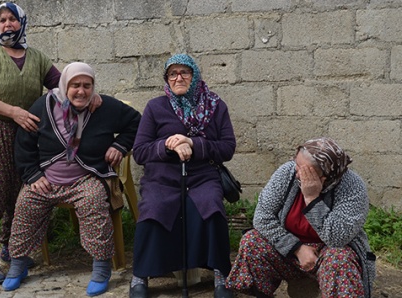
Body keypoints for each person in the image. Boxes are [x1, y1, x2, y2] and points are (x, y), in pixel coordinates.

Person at [3, 62, 141, 296]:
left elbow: (137, 122)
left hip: (86, 178)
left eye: (87, 85)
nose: (81, 91)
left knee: (94, 201)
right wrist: (33, 175)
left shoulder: (103, 106)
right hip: (47, 179)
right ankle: (18, 263)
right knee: (26, 203)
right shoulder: (44, 106)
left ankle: (101, 266)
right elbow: (24, 142)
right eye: (75, 85)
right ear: (64, 86)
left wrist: (120, 144)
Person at [0, 2, 74, 285]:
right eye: (2, 20)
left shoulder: (37, 57)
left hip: (25, 132)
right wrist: (12, 111)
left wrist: (88, 92)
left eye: (13, 19)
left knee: (21, 189)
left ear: (23, 23)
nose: (7, 24)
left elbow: (62, 85)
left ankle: (11, 247)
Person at [129, 54, 236, 298]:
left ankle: (221, 273)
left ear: (195, 75)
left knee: (211, 206)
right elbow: (140, 151)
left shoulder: (215, 106)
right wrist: (168, 146)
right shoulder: (155, 107)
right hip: (162, 177)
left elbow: (227, 147)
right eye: (172, 74)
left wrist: (194, 143)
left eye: (184, 72)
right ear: (166, 79)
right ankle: (140, 276)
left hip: (202, 176)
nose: (179, 78)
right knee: (153, 209)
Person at [225, 137, 376, 298]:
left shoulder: (352, 186)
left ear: (324, 176)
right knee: (252, 241)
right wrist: (296, 248)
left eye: (304, 170)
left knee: (339, 259)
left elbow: (337, 238)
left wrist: (312, 199)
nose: (296, 171)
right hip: (289, 252)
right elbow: (262, 218)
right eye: (296, 163)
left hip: (327, 254)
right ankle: (261, 294)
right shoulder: (287, 172)